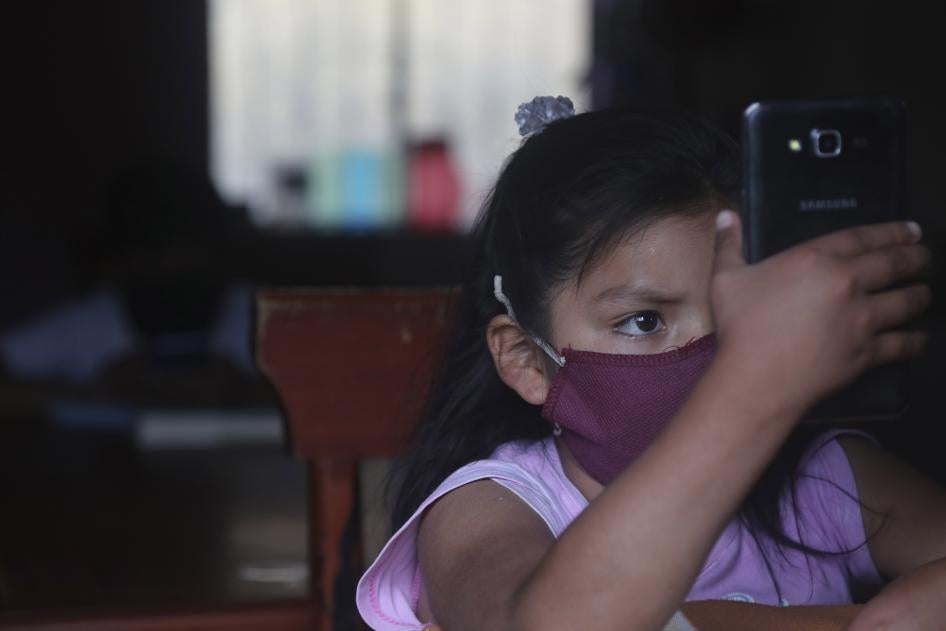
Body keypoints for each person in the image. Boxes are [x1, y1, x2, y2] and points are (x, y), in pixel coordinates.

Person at [355, 99, 945, 631]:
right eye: (643, 322)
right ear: (527, 360)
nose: (715, 354)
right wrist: (755, 386)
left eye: (733, 312)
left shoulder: (820, 482)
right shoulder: (494, 505)